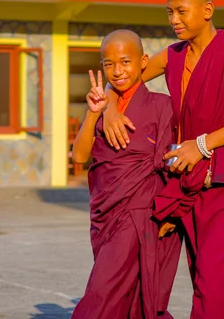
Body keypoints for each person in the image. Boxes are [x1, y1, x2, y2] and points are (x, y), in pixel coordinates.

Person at [102, 0, 224, 318]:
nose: (173, 20)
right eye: (169, 12)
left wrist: (202, 145)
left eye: (181, 11)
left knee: (215, 288)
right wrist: (107, 109)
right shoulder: (173, 56)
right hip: (189, 184)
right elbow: (123, 77)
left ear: (207, 10)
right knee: (204, 280)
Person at [71, 29, 182, 319]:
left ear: (143, 61)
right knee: (122, 297)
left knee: (102, 294)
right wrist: (95, 112)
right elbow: (80, 156)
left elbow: (171, 162)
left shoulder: (162, 105)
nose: (117, 71)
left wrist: (171, 212)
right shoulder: (102, 105)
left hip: (141, 214)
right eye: (109, 64)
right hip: (106, 214)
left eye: (125, 62)